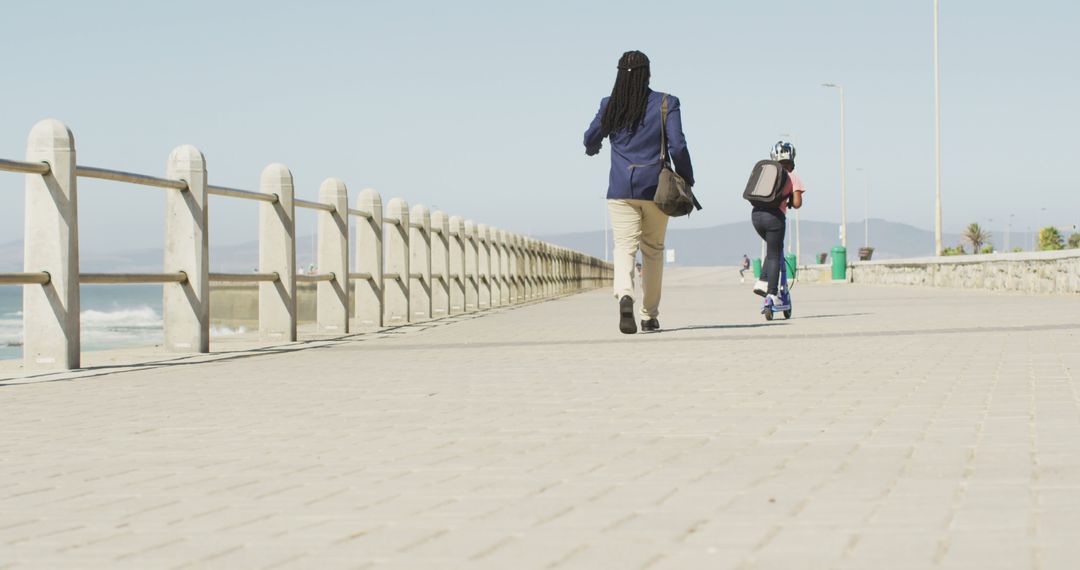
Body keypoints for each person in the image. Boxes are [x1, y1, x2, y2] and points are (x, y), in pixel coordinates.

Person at [584, 50, 695, 334]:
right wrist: (687, 179)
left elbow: (590, 137)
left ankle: (625, 295)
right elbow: (678, 146)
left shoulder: (611, 105)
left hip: (620, 189)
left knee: (624, 247)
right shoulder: (666, 103)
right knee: (654, 251)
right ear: (648, 73)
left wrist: (593, 146)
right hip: (656, 190)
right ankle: (649, 315)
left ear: (619, 74)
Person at [752, 141, 805, 306]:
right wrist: (788, 200)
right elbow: (797, 203)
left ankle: (762, 280)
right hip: (774, 218)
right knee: (775, 255)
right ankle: (772, 295)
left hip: (756, 216)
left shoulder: (766, 173)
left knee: (772, 248)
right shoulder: (792, 176)